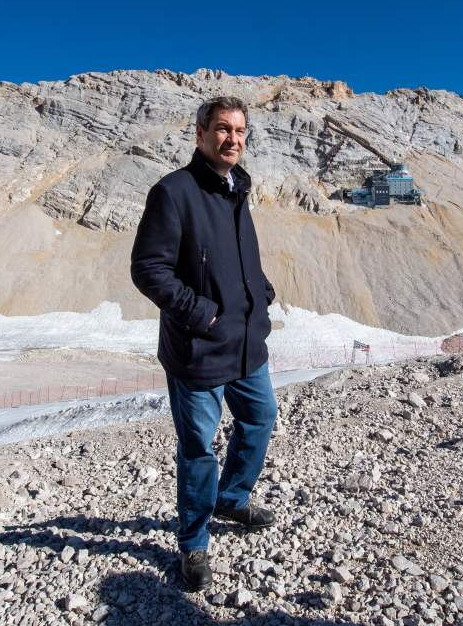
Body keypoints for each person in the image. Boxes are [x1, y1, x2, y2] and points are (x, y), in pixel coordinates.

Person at [130, 96, 279, 590]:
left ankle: (232, 499)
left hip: (247, 344)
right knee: (198, 448)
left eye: (239, 130)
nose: (232, 138)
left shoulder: (238, 188)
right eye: (222, 129)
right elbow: (148, 269)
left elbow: (238, 258)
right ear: (200, 134)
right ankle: (193, 542)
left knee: (260, 419)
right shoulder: (173, 192)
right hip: (198, 350)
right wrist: (201, 313)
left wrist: (261, 293)